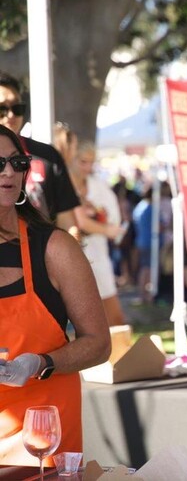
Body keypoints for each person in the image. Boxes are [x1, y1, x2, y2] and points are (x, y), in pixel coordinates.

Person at [0, 126, 111, 465]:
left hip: (42, 441)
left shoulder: (54, 247)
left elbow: (98, 342)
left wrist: (43, 363)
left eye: (17, 162)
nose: (8, 171)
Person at [0, 72, 79, 231]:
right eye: (2, 108)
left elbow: (68, 223)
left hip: (39, 253)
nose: (11, 115)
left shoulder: (47, 156)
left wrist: (70, 251)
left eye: (17, 108)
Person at [69, 141, 127, 326]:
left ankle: (117, 352)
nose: (87, 167)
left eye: (91, 162)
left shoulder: (100, 187)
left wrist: (99, 221)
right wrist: (98, 225)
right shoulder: (63, 185)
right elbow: (79, 221)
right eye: (83, 161)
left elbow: (114, 222)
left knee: (112, 315)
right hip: (69, 254)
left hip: (97, 253)